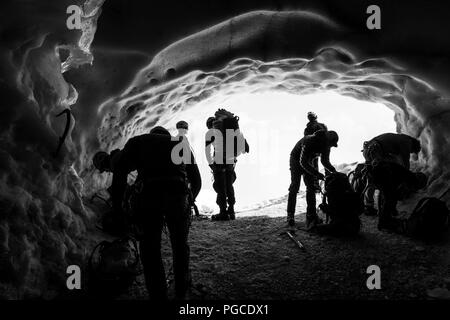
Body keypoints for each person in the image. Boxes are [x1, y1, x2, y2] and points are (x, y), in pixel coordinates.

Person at [111, 127, 201, 300]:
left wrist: (118, 207)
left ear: (151, 134)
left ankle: (158, 296)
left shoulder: (138, 141)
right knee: (180, 246)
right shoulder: (179, 143)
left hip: (148, 197)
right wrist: (189, 201)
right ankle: (181, 291)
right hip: (177, 195)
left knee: (150, 249)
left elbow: (120, 170)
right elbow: (196, 180)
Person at [362, 133, 424, 231]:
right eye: (412, 151)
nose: (411, 152)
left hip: (370, 149)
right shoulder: (407, 141)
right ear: (413, 146)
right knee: (386, 184)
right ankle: (385, 216)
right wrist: (404, 176)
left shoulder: (399, 138)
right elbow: (405, 161)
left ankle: (370, 205)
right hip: (376, 150)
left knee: (375, 178)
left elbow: (397, 162)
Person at [287, 130, 339, 228]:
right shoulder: (310, 141)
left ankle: (311, 215)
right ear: (326, 141)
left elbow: (325, 161)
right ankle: (290, 215)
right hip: (295, 160)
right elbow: (302, 162)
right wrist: (316, 173)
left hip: (308, 161)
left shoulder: (326, 146)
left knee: (311, 187)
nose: (330, 147)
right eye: (330, 145)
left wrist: (333, 171)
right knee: (295, 186)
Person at [205, 112, 249, 221]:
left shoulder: (211, 132)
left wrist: (211, 164)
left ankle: (223, 212)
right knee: (229, 185)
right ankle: (232, 211)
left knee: (220, 186)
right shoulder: (227, 130)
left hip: (219, 162)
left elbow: (207, 151)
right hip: (230, 161)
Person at [303, 111, 328, 191]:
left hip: (314, 150)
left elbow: (306, 139)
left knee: (315, 166)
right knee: (325, 164)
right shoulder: (322, 125)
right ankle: (327, 182)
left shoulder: (307, 128)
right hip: (322, 148)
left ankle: (316, 185)